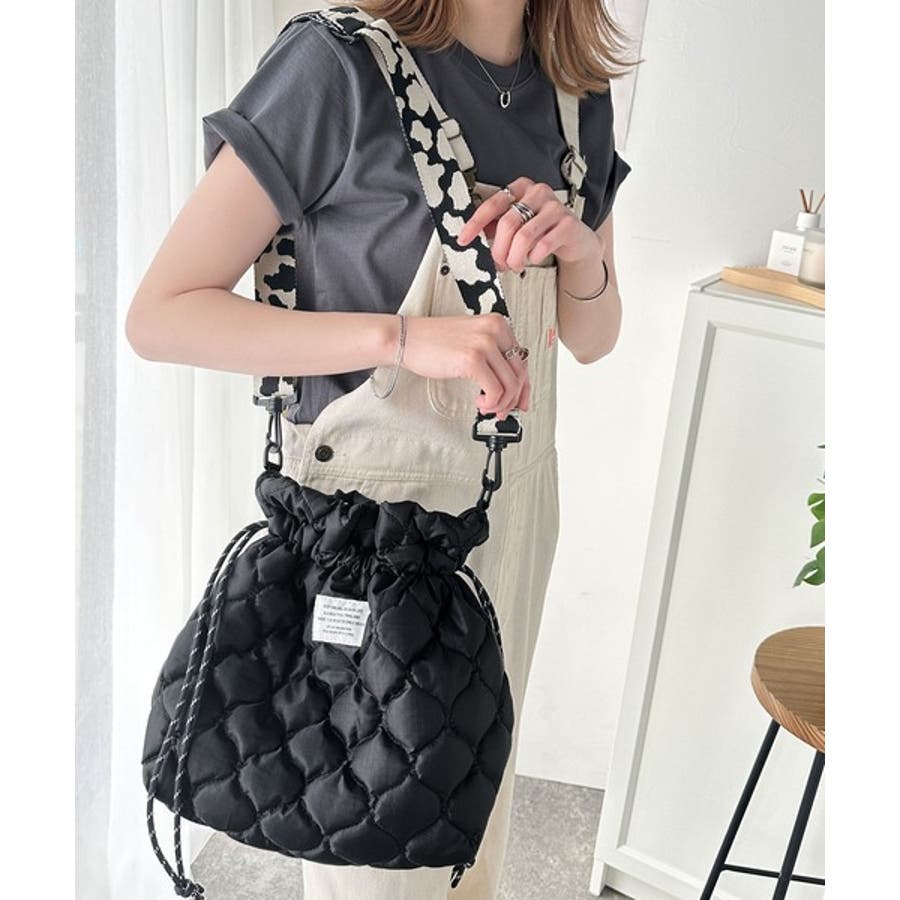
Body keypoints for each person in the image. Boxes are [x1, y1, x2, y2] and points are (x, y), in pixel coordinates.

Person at [126, 2, 635, 898]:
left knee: (471, 833)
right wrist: (402, 340)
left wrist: (581, 251)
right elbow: (162, 315)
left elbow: (593, 338)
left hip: (513, 509)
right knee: (381, 854)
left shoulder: (574, 91)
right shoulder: (338, 66)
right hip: (374, 532)